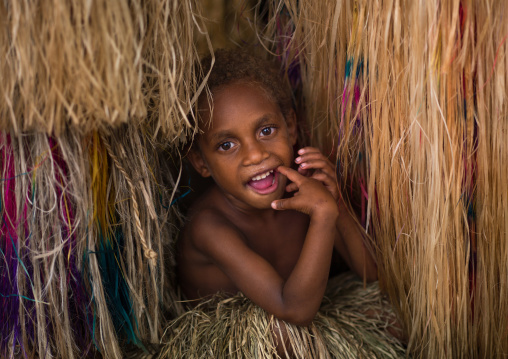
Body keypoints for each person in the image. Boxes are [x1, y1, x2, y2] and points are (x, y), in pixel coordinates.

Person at [176, 49, 377, 329]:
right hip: (237, 342)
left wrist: (336, 203)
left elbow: (370, 274)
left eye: (266, 131)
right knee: (283, 337)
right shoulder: (209, 227)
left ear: (291, 128)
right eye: (226, 145)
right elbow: (294, 311)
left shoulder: (304, 189)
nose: (255, 155)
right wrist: (322, 215)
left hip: (305, 322)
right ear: (201, 162)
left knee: (391, 317)